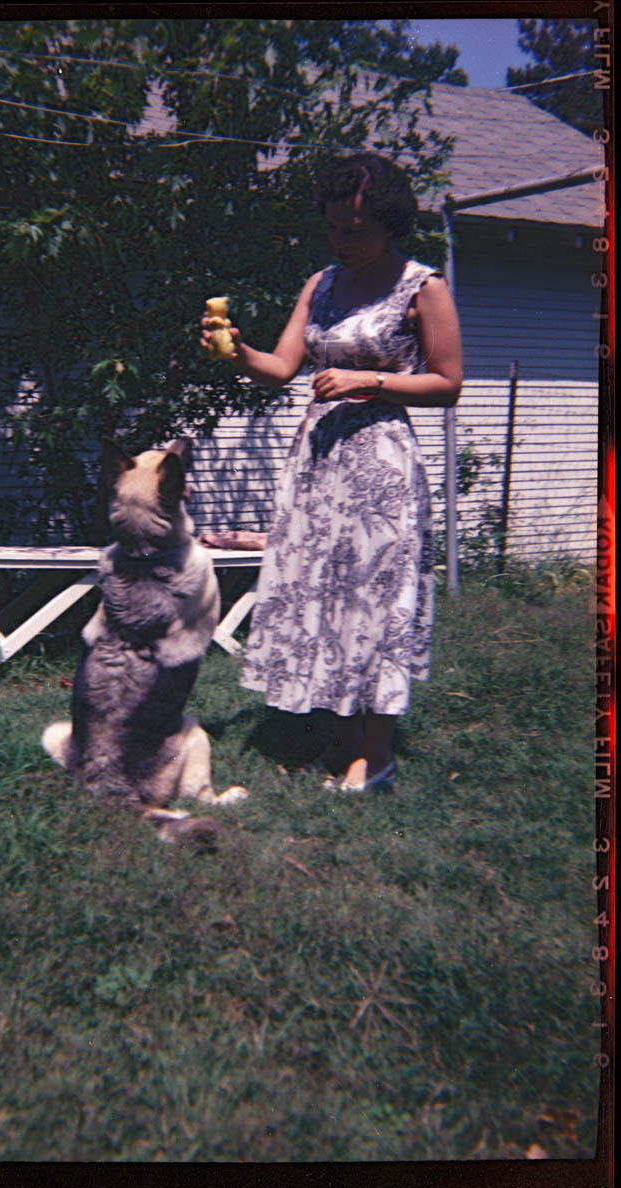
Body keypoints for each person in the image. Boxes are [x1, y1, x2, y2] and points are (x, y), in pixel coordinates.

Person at [200, 152, 462, 793]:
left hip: (380, 466)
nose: (342, 240)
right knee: (329, 596)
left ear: (390, 224)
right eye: (334, 228)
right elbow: (282, 367)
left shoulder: (422, 287)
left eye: (356, 230)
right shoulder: (321, 284)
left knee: (378, 601)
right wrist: (237, 352)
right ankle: (341, 740)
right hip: (318, 467)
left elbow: (449, 383)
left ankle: (376, 753)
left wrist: (370, 380)